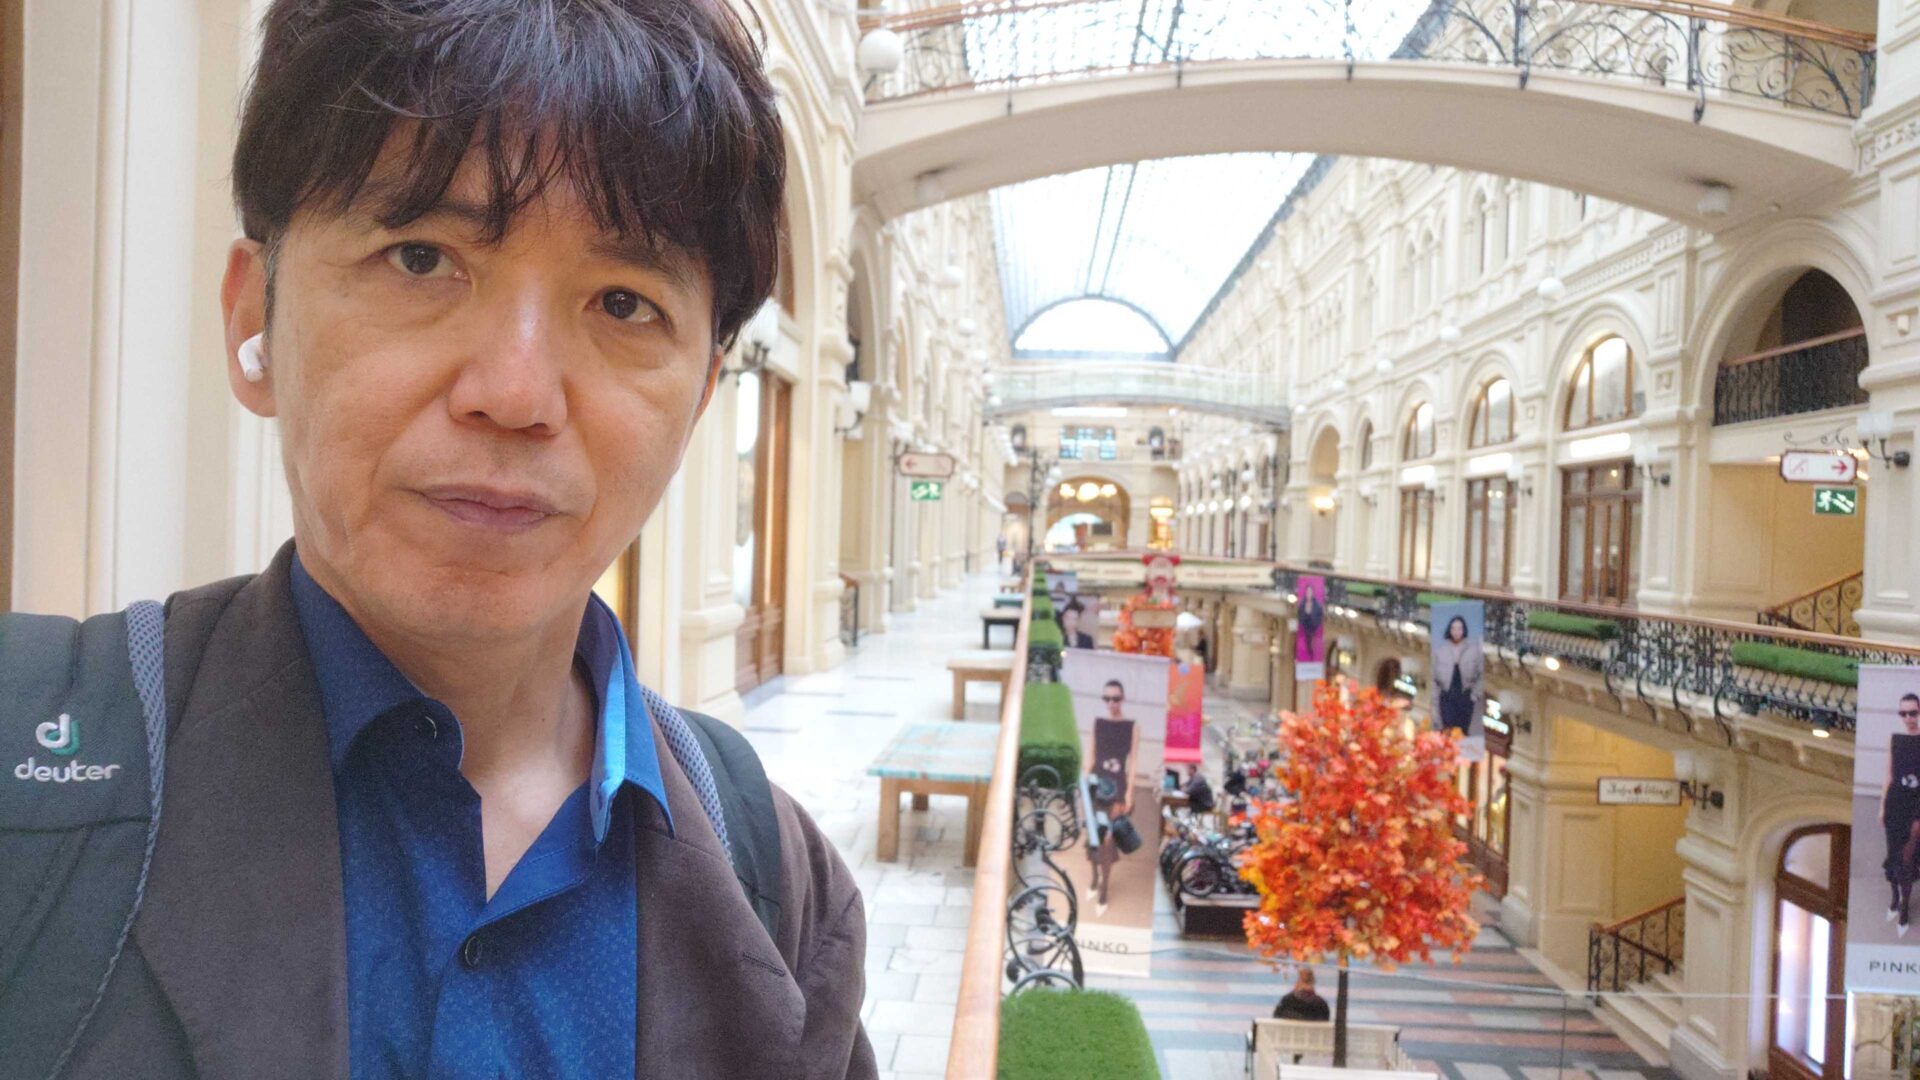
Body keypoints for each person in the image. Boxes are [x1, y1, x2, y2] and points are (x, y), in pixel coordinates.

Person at [6, 3, 874, 1076]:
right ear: (253, 317)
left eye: (622, 302)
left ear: (699, 398)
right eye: (420, 258)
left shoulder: (779, 888)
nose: (515, 394)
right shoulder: (31, 778)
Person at [1088, 680, 1140, 916]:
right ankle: (1093, 878)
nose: (1111, 703)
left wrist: (1129, 793)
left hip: (1117, 787)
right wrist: (1083, 784)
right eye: (1107, 698)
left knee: (1108, 839)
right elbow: (1091, 757)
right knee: (1094, 836)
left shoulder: (1132, 726)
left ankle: (1103, 890)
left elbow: (1133, 762)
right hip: (1096, 784)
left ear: (1123, 698)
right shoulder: (1097, 723)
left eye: (1115, 698)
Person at [1884, 693, 1920, 934]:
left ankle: (1904, 908)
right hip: (1895, 801)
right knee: (1892, 853)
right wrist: (1881, 806)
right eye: (1903, 713)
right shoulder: (1895, 739)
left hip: (1916, 805)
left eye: (1912, 713)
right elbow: (1888, 775)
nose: (1908, 718)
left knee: (1908, 858)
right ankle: (1895, 898)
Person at [1432, 614, 1485, 736]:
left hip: (1465, 697)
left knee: (1462, 732)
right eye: (1454, 628)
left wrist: (1474, 695)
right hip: (1446, 696)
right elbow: (1434, 678)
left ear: (1464, 630)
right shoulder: (1441, 651)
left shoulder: (1473, 651)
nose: (1457, 632)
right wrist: (1435, 698)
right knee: (1447, 730)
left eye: (1459, 628)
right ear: (1449, 630)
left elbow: (1480, 675)